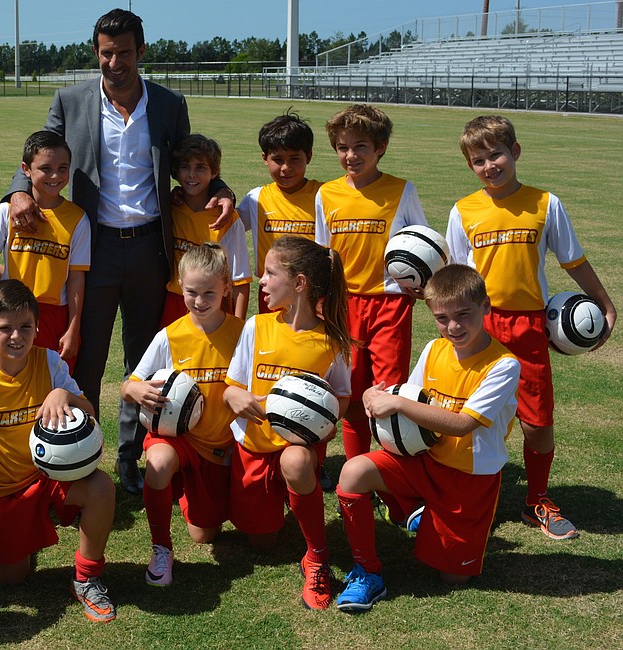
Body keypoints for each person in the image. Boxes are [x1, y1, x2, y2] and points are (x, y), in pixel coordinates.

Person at [4, 8, 235, 495]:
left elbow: (191, 161)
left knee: (144, 359)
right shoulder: (71, 100)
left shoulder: (169, 103)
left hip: (153, 246)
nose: (115, 63)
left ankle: (133, 459)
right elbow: (40, 151)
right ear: (97, 52)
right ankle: (77, 454)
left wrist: (223, 188)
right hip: (94, 247)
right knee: (83, 359)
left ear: (141, 52)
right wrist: (15, 193)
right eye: (107, 53)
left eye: (124, 53)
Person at [446, 115, 616, 540]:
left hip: (529, 326)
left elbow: (572, 260)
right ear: (470, 166)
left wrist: (606, 304)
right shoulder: (463, 210)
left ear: (515, 152)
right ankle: (459, 491)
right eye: (479, 160)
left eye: (497, 154)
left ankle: (535, 499)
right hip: (480, 327)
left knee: (537, 424)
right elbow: (453, 276)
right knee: (469, 416)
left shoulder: (545, 203)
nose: (490, 165)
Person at [0, 279, 117, 623]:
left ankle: (87, 577)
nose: (16, 336)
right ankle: (29, 530)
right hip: (3, 488)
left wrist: (64, 396)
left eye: (26, 326)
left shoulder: (50, 363)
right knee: (12, 581)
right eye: (5, 328)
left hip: (52, 476)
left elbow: (88, 408)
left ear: (37, 327)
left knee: (101, 486)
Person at [334, 264, 520, 611]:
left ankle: (423, 515)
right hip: (424, 461)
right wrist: (375, 396)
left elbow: (464, 424)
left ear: (486, 307)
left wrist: (398, 402)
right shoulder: (435, 349)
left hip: (470, 478)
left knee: (453, 577)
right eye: (442, 317)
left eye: (463, 314)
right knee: (354, 471)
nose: (453, 326)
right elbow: (410, 396)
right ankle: (367, 571)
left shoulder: (504, 364)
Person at [223, 235, 353, 610]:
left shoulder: (330, 339)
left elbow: (342, 397)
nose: (261, 281)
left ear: (299, 283)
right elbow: (231, 387)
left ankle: (316, 555)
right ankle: (275, 501)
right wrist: (239, 398)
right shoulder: (257, 326)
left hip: (298, 447)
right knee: (261, 541)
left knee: (295, 461)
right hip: (254, 444)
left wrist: (324, 422)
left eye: (269, 273)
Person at [122, 243, 245, 587]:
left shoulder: (242, 334)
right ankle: (161, 548)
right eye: (192, 292)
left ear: (226, 287)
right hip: (178, 439)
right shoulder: (169, 336)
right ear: (180, 286)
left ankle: (188, 489)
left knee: (205, 535)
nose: (200, 301)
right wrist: (138, 391)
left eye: (209, 292)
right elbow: (127, 386)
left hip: (221, 446)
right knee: (158, 461)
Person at [314, 104, 428, 464]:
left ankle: (392, 472)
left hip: (389, 303)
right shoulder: (326, 194)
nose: (351, 155)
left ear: (381, 148)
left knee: (387, 392)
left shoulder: (401, 190)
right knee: (350, 394)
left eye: (361, 146)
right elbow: (323, 255)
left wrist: (425, 284)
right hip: (344, 306)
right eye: (343, 147)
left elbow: (424, 245)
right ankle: (356, 471)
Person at [0, 131, 91, 373]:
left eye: (63, 167)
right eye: (45, 168)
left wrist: (73, 328)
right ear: (26, 169)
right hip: (10, 312)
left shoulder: (77, 219)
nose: (55, 175)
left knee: (50, 386)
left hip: (54, 316)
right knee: (12, 380)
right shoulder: (6, 212)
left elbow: (76, 279)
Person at [160, 135, 250, 326]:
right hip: (174, 302)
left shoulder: (226, 218)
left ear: (214, 172)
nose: (192, 174)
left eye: (200, 167)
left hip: (214, 306)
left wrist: (238, 328)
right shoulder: (170, 209)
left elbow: (240, 282)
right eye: (185, 166)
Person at [238, 110, 322, 314]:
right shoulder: (256, 199)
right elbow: (228, 227)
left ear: (308, 156)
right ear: (265, 158)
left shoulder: (323, 195)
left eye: (294, 159)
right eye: (278, 159)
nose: (286, 167)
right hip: (271, 292)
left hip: (315, 293)